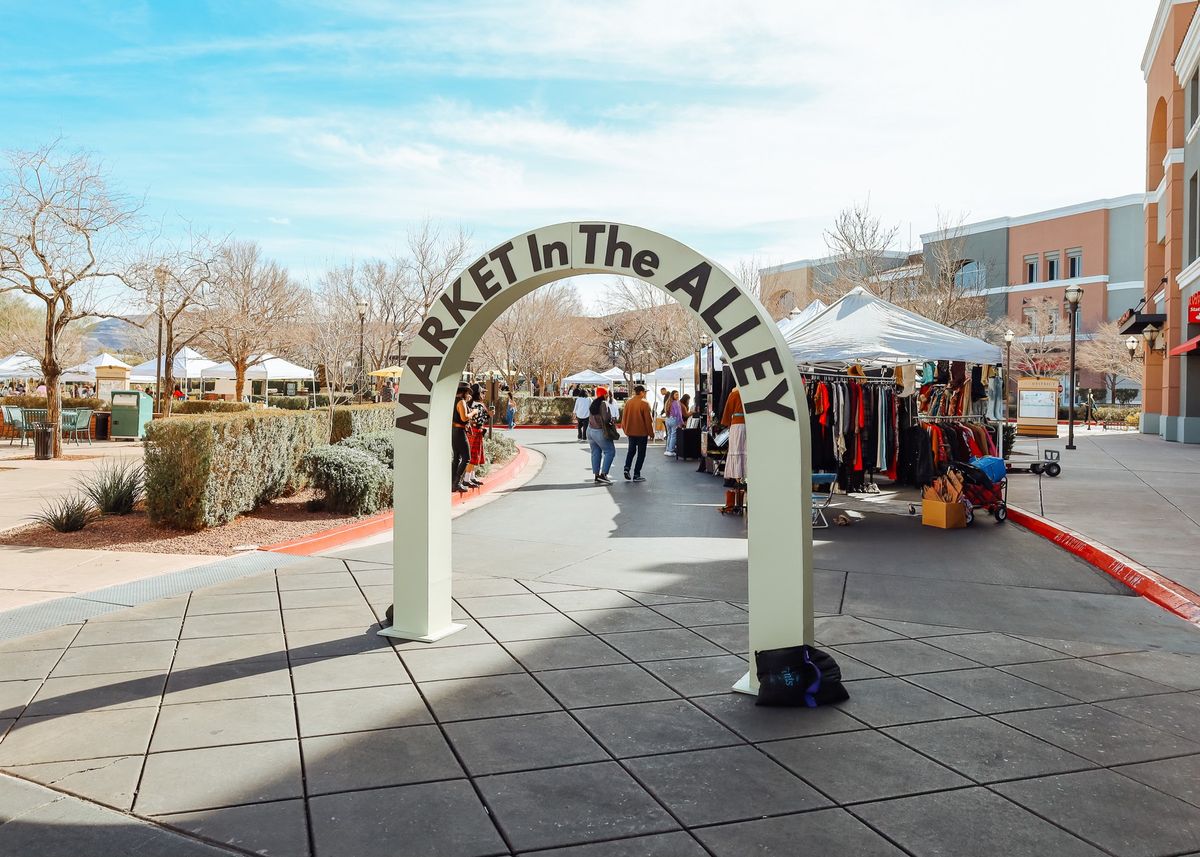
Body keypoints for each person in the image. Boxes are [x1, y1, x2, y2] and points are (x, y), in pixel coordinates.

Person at [622, 384, 653, 481]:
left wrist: (625, 429)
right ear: (642, 392)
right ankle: (636, 474)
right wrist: (651, 433)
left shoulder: (628, 402)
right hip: (642, 432)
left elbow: (624, 417)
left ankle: (627, 468)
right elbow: (648, 420)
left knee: (631, 451)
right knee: (641, 453)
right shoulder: (645, 403)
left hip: (631, 432)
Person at [587, 387, 617, 484]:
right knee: (610, 451)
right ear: (604, 394)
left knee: (595, 452)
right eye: (607, 393)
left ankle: (596, 475)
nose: (608, 395)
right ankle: (604, 474)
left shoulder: (593, 403)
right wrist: (612, 419)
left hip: (590, 430)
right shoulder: (604, 403)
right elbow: (606, 419)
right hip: (600, 431)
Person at [451, 384, 472, 492]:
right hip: (460, 431)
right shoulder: (461, 401)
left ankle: (452, 483)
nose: (469, 395)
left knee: (456, 458)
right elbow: (464, 418)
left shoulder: (452, 400)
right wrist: (473, 412)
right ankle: (457, 482)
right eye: (468, 392)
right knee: (466, 457)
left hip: (453, 431)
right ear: (464, 392)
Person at [664, 390, 683, 456]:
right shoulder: (676, 402)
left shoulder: (668, 402)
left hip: (667, 419)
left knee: (669, 435)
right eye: (676, 395)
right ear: (673, 395)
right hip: (673, 420)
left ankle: (667, 450)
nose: (678, 396)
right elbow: (678, 413)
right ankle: (671, 450)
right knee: (673, 435)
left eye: (678, 394)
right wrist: (681, 422)